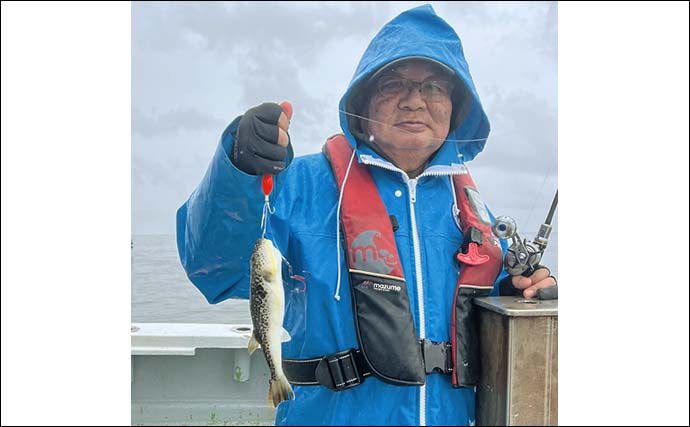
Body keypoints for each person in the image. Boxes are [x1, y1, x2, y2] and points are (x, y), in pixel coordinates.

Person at [176, 4, 556, 426]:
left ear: (457, 104)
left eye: (433, 86)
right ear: (364, 98)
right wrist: (239, 170)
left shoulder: (474, 214)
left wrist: (523, 293)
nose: (414, 100)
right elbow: (213, 269)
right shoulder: (298, 184)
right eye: (394, 83)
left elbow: (490, 317)